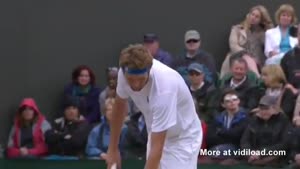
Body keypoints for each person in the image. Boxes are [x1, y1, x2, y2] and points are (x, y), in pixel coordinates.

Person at [104, 44, 202, 169]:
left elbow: (157, 148)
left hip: (183, 138)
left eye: (140, 79)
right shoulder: (123, 74)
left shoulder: (165, 88)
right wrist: (113, 149)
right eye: (131, 79)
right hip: (156, 133)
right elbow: (119, 106)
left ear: (149, 71)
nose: (135, 85)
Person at [220, 5, 273, 77]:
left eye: (257, 17)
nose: (253, 17)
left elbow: (270, 46)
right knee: (247, 58)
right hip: (238, 58)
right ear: (248, 15)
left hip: (257, 62)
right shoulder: (237, 29)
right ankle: (257, 78)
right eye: (252, 14)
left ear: (261, 20)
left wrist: (268, 27)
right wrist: (247, 55)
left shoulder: (263, 33)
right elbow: (233, 46)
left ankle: (258, 78)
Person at [240, 95, 291, 166]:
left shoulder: (283, 121)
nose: (263, 111)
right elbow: (245, 140)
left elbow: (284, 143)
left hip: (273, 152)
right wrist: (249, 152)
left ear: (275, 108)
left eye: (266, 109)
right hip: (254, 152)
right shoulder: (254, 119)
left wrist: (262, 153)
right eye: (261, 109)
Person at [206, 89, 248, 165]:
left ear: (239, 101)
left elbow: (237, 135)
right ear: (223, 104)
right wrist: (227, 136)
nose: (232, 102)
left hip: (239, 148)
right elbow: (210, 138)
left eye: (235, 100)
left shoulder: (245, 117)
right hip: (219, 146)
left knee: (216, 153)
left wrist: (220, 132)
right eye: (228, 101)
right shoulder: (218, 118)